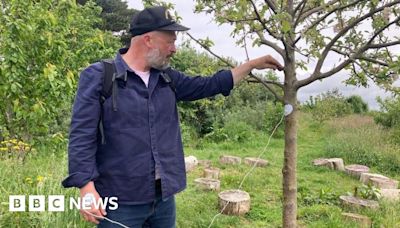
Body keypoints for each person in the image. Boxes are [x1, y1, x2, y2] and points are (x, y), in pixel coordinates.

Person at [62, 5, 283, 228]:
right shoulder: (101, 76)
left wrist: (250, 66)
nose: (174, 49)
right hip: (120, 200)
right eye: (170, 41)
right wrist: (86, 187)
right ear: (148, 40)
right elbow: (82, 134)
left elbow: (208, 85)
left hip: (163, 198)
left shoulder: (167, 78)